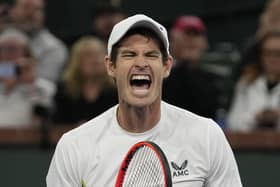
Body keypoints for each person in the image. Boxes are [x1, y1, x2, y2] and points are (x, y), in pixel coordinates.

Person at [46, 14, 242, 186]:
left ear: (166, 66)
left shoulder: (207, 136)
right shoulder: (74, 147)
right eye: (129, 55)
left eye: (151, 55)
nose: (141, 63)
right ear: (111, 66)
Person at [163, 15, 220, 119]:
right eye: (186, 35)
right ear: (172, 41)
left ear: (205, 43)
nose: (191, 40)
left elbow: (207, 111)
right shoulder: (161, 75)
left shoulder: (210, 80)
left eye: (196, 35)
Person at [52, 36, 118, 125]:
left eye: (100, 55)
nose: (96, 60)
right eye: (89, 56)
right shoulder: (65, 90)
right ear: (77, 61)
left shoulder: (117, 89)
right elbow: (57, 125)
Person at [0, 28, 55, 127]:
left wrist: (31, 83)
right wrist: (7, 88)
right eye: (4, 49)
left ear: (26, 52)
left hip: (26, 139)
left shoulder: (41, 86)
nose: (9, 53)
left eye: (14, 49)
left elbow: (44, 108)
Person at [227, 29, 280, 131]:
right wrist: (256, 117)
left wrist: (276, 117)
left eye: (278, 53)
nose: (273, 58)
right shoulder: (246, 83)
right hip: (250, 145)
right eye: (268, 53)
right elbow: (233, 122)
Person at [8, 0, 68, 83]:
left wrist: (7, 70)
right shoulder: (3, 38)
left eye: (37, 9)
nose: (30, 13)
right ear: (12, 11)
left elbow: (42, 81)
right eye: (26, 7)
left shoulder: (54, 47)